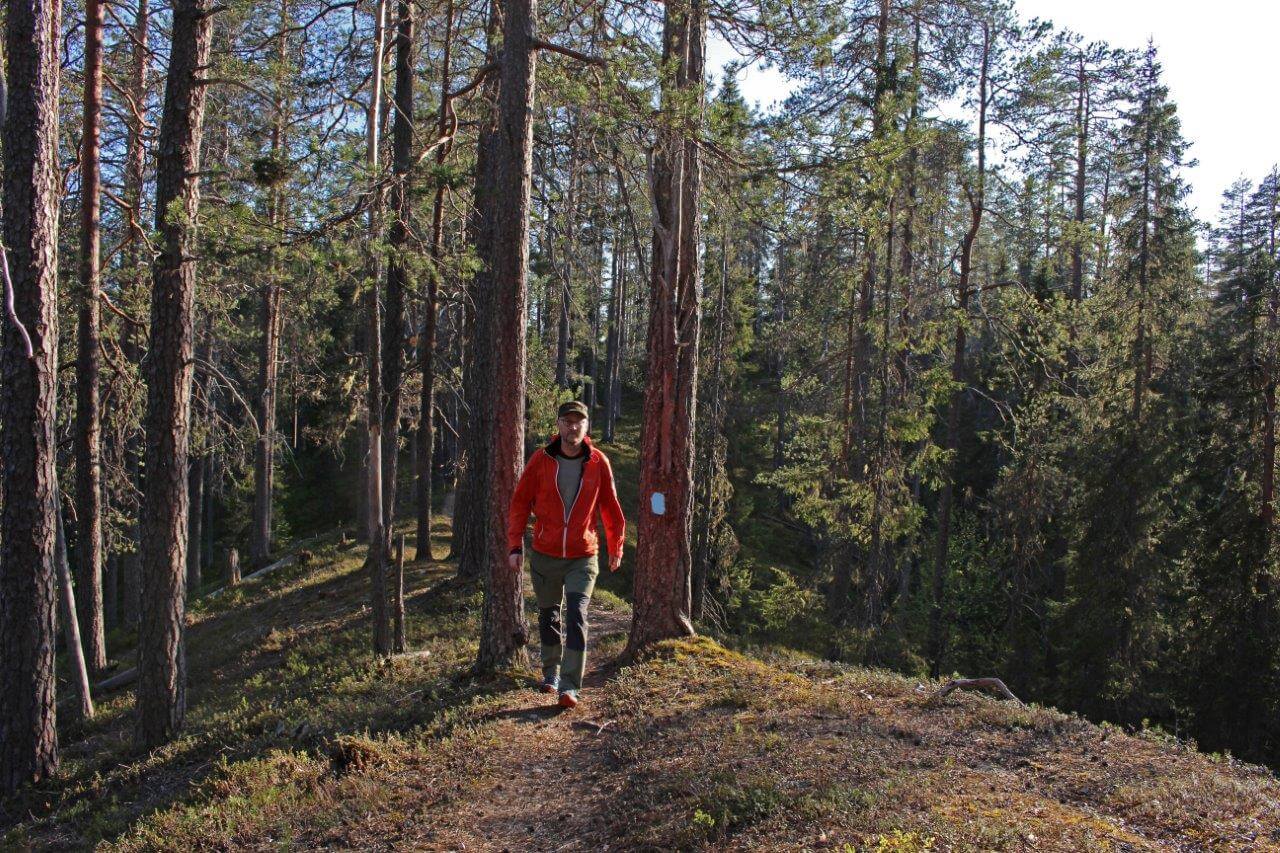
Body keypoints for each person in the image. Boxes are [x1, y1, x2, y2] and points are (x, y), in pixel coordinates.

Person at [508, 400, 625, 708]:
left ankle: (570, 685)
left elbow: (610, 507)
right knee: (549, 615)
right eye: (567, 421)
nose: (573, 427)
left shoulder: (598, 462)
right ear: (558, 425)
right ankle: (551, 673)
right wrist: (515, 545)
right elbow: (520, 503)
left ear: (586, 427)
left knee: (576, 613)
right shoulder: (540, 460)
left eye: (579, 422)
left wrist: (616, 546)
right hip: (545, 553)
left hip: (582, 555)